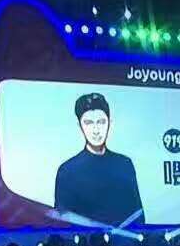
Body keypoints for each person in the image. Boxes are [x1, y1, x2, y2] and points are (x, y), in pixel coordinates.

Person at [54, 93, 145, 227]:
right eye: (89, 123)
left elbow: (138, 215)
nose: (96, 130)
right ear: (80, 126)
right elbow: (63, 222)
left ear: (109, 123)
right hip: (84, 240)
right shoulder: (68, 170)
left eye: (101, 122)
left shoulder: (124, 164)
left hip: (125, 239)